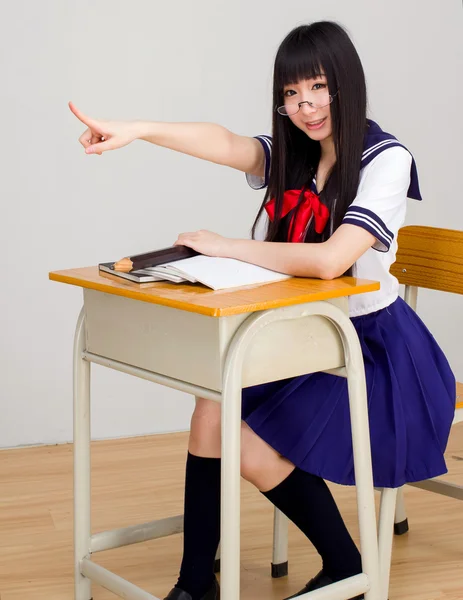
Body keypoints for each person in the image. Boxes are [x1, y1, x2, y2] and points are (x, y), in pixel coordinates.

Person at [70, 21, 456, 600]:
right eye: (292, 94)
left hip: (370, 351)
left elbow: (331, 262)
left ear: (346, 83)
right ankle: (196, 582)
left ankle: (345, 563)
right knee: (211, 402)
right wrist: (139, 129)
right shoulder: (295, 154)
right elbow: (225, 142)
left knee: (239, 432)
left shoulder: (386, 158)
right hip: (302, 335)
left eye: (319, 87)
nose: (306, 106)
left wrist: (226, 247)